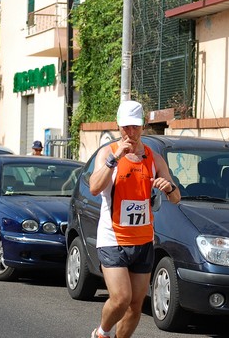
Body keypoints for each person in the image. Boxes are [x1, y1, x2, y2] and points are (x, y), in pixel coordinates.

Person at [89, 100, 181, 338]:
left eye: (135, 127)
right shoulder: (107, 154)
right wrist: (115, 159)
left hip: (142, 241)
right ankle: (102, 332)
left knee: (135, 306)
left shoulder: (154, 158)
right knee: (121, 299)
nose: (130, 132)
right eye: (125, 127)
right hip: (113, 238)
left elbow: (176, 198)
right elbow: (94, 188)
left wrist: (168, 187)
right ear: (119, 126)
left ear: (143, 127)